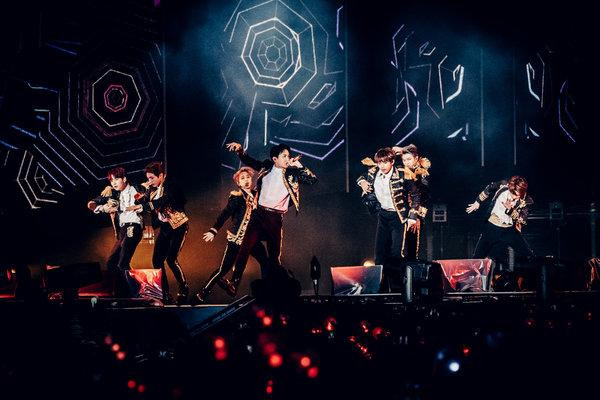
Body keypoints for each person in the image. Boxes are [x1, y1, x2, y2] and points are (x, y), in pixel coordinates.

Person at [225, 142, 317, 280]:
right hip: (258, 214)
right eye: (284, 156)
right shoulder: (267, 166)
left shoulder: (292, 172)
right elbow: (250, 161)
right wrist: (240, 151)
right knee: (245, 247)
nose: (287, 158)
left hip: (275, 217)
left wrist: (299, 165)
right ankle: (234, 281)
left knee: (274, 255)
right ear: (275, 159)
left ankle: (275, 283)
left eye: (288, 156)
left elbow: (312, 180)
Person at [357, 144, 430, 291]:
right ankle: (381, 290)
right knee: (379, 254)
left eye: (385, 162)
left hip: (399, 217)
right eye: (380, 162)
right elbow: (361, 177)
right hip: (383, 215)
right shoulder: (374, 171)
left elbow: (416, 195)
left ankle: (398, 290)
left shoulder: (402, 173)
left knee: (397, 253)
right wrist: (362, 182)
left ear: (392, 162)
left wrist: (412, 216)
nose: (382, 166)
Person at [195, 167, 269, 302]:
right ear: (238, 183)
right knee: (223, 269)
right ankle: (204, 291)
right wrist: (214, 230)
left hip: (252, 239)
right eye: (243, 178)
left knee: (265, 262)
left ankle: (266, 292)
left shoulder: (257, 195)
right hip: (237, 239)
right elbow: (225, 214)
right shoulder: (237, 197)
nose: (246, 180)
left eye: (248, 177)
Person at [127, 161, 189, 304]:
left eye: (152, 178)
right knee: (156, 260)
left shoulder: (171, 185)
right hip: (165, 227)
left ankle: (184, 287)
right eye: (148, 178)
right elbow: (142, 204)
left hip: (179, 225)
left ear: (161, 175)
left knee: (171, 259)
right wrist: (141, 194)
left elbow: (163, 200)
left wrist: (143, 205)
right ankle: (165, 293)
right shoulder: (151, 190)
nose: (150, 181)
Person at [87, 167, 143, 297]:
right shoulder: (112, 193)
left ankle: (136, 292)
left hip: (134, 226)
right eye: (111, 180)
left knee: (123, 263)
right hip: (123, 229)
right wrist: (102, 207)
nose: (114, 183)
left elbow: (146, 200)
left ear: (124, 178)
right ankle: (124, 293)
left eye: (116, 179)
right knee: (112, 263)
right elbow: (91, 203)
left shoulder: (136, 188)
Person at [466, 175, 534, 261]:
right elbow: (489, 188)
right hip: (492, 227)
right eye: (512, 193)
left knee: (529, 255)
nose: (513, 197)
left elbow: (522, 219)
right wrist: (478, 201)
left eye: (516, 195)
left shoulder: (528, 201)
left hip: (509, 231)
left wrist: (510, 210)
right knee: (477, 258)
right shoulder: (503, 186)